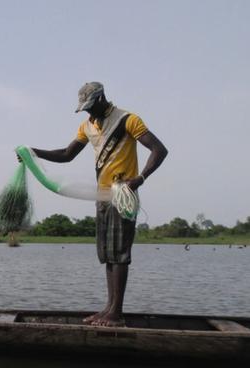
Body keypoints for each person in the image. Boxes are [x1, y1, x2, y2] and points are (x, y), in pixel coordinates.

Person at [24, 82, 167, 326]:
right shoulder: (87, 126)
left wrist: (139, 179)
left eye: (91, 107)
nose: (89, 113)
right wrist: (33, 152)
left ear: (101, 99)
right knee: (107, 254)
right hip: (101, 196)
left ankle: (116, 313)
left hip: (123, 193)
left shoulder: (128, 119)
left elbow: (159, 150)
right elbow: (67, 154)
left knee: (120, 253)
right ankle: (108, 308)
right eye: (85, 109)